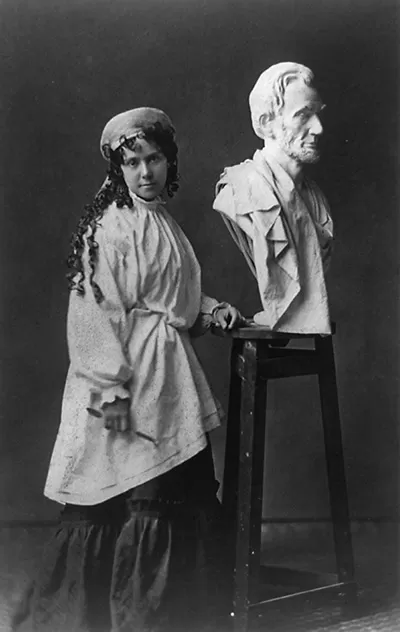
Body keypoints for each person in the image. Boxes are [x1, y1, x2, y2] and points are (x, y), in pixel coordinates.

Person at [13, 107, 242, 632]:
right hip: (125, 383)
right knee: (133, 495)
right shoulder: (107, 226)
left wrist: (209, 310)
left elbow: (169, 299)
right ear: (118, 170)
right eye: (133, 162)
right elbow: (93, 313)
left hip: (168, 380)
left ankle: (177, 615)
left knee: (174, 491)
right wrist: (111, 393)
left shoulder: (165, 222)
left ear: (169, 161)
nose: (145, 172)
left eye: (154, 159)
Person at [213, 62, 334, 334]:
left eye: (318, 114)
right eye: (303, 115)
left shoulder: (314, 198)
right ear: (267, 123)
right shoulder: (240, 188)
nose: (318, 128)